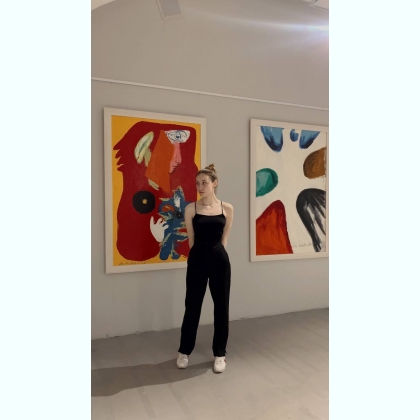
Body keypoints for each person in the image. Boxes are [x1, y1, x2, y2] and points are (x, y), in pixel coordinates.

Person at [176, 164, 234, 373]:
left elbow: (225, 237)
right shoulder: (191, 209)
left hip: (219, 260)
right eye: (197, 183)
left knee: (221, 307)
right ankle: (184, 351)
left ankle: (220, 354)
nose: (200, 187)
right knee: (192, 306)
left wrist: (217, 254)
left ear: (214, 183)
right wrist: (198, 257)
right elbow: (191, 239)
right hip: (197, 260)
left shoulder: (227, 208)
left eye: (204, 183)